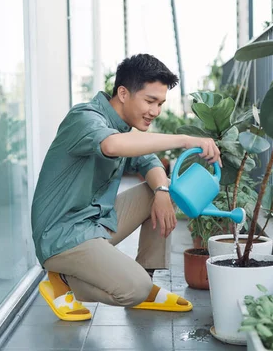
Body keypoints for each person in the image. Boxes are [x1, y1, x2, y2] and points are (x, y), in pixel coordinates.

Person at [32, 54, 222, 321]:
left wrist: (162, 192)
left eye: (160, 103)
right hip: (63, 236)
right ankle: (63, 278)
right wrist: (185, 140)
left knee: (162, 189)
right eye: (150, 101)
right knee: (133, 290)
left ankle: (147, 277)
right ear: (123, 93)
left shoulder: (125, 127)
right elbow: (111, 145)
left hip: (93, 223)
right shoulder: (84, 117)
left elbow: (149, 161)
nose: (155, 111)